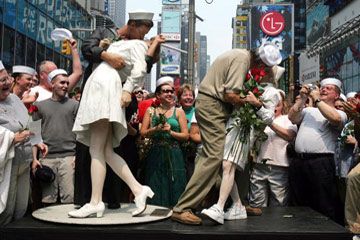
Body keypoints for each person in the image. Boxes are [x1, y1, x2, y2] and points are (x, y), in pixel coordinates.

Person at [171, 42, 282, 225]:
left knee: (234, 158)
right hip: (213, 106)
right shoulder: (241, 60)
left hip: (218, 107)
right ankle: (183, 207)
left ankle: (237, 203)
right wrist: (253, 103)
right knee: (215, 155)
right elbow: (231, 95)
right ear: (262, 64)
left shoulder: (241, 57)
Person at [68, 18, 164, 218]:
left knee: (97, 149)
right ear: (133, 24)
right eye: (143, 30)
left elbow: (141, 69)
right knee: (105, 150)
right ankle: (137, 190)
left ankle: (95, 201)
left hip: (104, 89)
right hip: (100, 87)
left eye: (147, 34)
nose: (144, 36)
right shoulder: (118, 40)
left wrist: (128, 90)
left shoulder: (137, 44)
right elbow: (88, 48)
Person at [200, 65, 285, 224]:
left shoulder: (272, 92)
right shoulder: (248, 84)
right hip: (232, 126)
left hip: (245, 129)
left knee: (227, 166)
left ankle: (219, 206)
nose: (261, 73)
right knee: (224, 166)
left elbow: (268, 119)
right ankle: (237, 205)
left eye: (266, 71)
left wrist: (256, 104)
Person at [288, 77, 347, 224]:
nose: (324, 89)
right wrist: (302, 98)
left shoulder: (340, 113)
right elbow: (292, 117)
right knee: (298, 204)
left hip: (321, 163)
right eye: (323, 87)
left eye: (329, 88)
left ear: (337, 95)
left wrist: (317, 100)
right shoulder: (309, 111)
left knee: (323, 203)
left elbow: (334, 118)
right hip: (299, 162)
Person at [0, 61, 47, 225]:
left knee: (21, 207)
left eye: (6, 79)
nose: (6, 83)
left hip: (24, 162)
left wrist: (39, 141)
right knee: (6, 210)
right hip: (7, 165)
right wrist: (12, 138)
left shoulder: (14, 99)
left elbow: (30, 122)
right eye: (1, 81)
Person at [31, 69, 79, 205]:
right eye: (62, 82)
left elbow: (81, 133)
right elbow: (34, 134)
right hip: (47, 158)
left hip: (69, 157)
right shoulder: (39, 106)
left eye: (67, 83)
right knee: (47, 200)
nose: (65, 85)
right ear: (52, 84)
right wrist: (35, 159)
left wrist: (78, 155)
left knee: (69, 198)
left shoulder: (75, 105)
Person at [140, 78, 188, 207]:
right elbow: (143, 132)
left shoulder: (179, 111)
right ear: (158, 95)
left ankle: (176, 210)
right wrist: (156, 129)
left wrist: (170, 132)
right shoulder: (151, 111)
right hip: (155, 153)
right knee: (156, 182)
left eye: (171, 91)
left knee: (175, 182)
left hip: (175, 153)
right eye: (165, 91)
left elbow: (185, 136)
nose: (169, 94)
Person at [249, 91, 297, 208]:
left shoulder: (288, 119)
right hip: (259, 165)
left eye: (277, 104)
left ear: (282, 105)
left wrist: (269, 121)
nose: (274, 107)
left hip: (279, 166)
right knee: (257, 202)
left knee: (279, 202)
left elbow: (289, 135)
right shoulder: (256, 119)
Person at [30, 38, 82, 102]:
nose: (55, 76)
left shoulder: (62, 88)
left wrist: (74, 49)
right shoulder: (33, 92)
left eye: (57, 73)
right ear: (42, 75)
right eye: (51, 73)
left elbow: (78, 73)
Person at [177, 84, 196, 180]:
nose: (188, 97)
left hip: (194, 154)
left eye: (190, 95)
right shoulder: (175, 112)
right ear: (179, 98)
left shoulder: (199, 112)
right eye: (185, 95)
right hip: (177, 153)